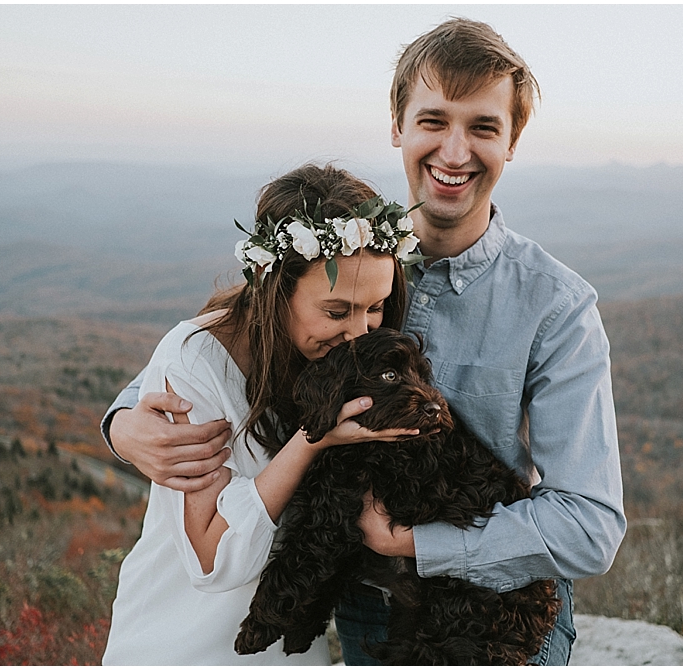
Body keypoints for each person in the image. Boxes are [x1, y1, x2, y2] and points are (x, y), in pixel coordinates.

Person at [103, 18, 626, 666]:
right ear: (397, 126)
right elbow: (242, 333)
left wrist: (415, 543)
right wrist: (123, 421)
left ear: (512, 140)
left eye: (483, 127)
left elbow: (591, 526)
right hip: (362, 611)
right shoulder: (349, 257)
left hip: (495, 612)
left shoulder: (556, 306)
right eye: (433, 121)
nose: (455, 152)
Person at [101, 164, 420, 665]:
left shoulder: (340, 362)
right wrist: (312, 440)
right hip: (182, 643)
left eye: (376, 306)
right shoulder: (194, 362)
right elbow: (214, 561)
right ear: (275, 291)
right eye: (337, 312)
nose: (361, 333)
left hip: (288, 649)